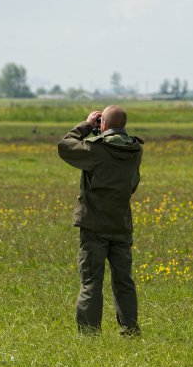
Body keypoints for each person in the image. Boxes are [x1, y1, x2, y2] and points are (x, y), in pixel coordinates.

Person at [57, 105, 143, 336]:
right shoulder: (135, 150)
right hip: (121, 225)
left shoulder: (96, 149)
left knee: (91, 282)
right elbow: (132, 184)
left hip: (94, 226)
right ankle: (130, 330)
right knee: (124, 281)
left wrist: (86, 125)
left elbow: (65, 146)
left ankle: (88, 334)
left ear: (102, 124)